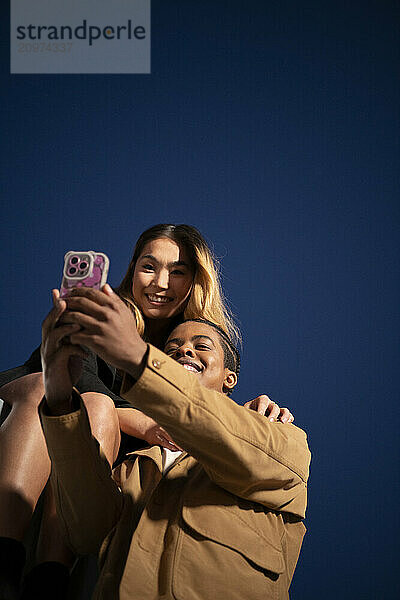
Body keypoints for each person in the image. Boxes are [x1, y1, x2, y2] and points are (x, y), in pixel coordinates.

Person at [0, 224, 293, 598]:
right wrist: (143, 420)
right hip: (31, 395)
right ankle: (5, 560)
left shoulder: (188, 345)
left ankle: (50, 576)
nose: (161, 282)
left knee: (100, 412)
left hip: (94, 444)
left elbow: (205, 411)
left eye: (178, 271)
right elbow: (79, 382)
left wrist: (253, 412)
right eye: (149, 266)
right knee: (84, 400)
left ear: (195, 282)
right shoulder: (114, 312)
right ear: (132, 269)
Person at [39, 285, 311, 599]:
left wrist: (140, 359)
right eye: (171, 348)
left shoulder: (279, 432)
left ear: (229, 378)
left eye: (201, 345)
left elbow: (234, 440)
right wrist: (59, 398)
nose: (183, 350)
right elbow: (87, 534)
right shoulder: (133, 465)